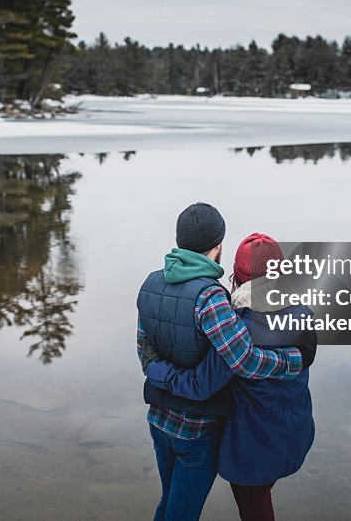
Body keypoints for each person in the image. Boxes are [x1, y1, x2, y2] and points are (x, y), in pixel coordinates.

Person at [137, 203, 304, 521]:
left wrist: (158, 373)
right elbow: (241, 362)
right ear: (218, 246)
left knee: (169, 503)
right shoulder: (211, 297)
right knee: (182, 514)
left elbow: (144, 353)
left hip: (158, 419)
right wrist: (295, 361)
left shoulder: (149, 284)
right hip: (196, 428)